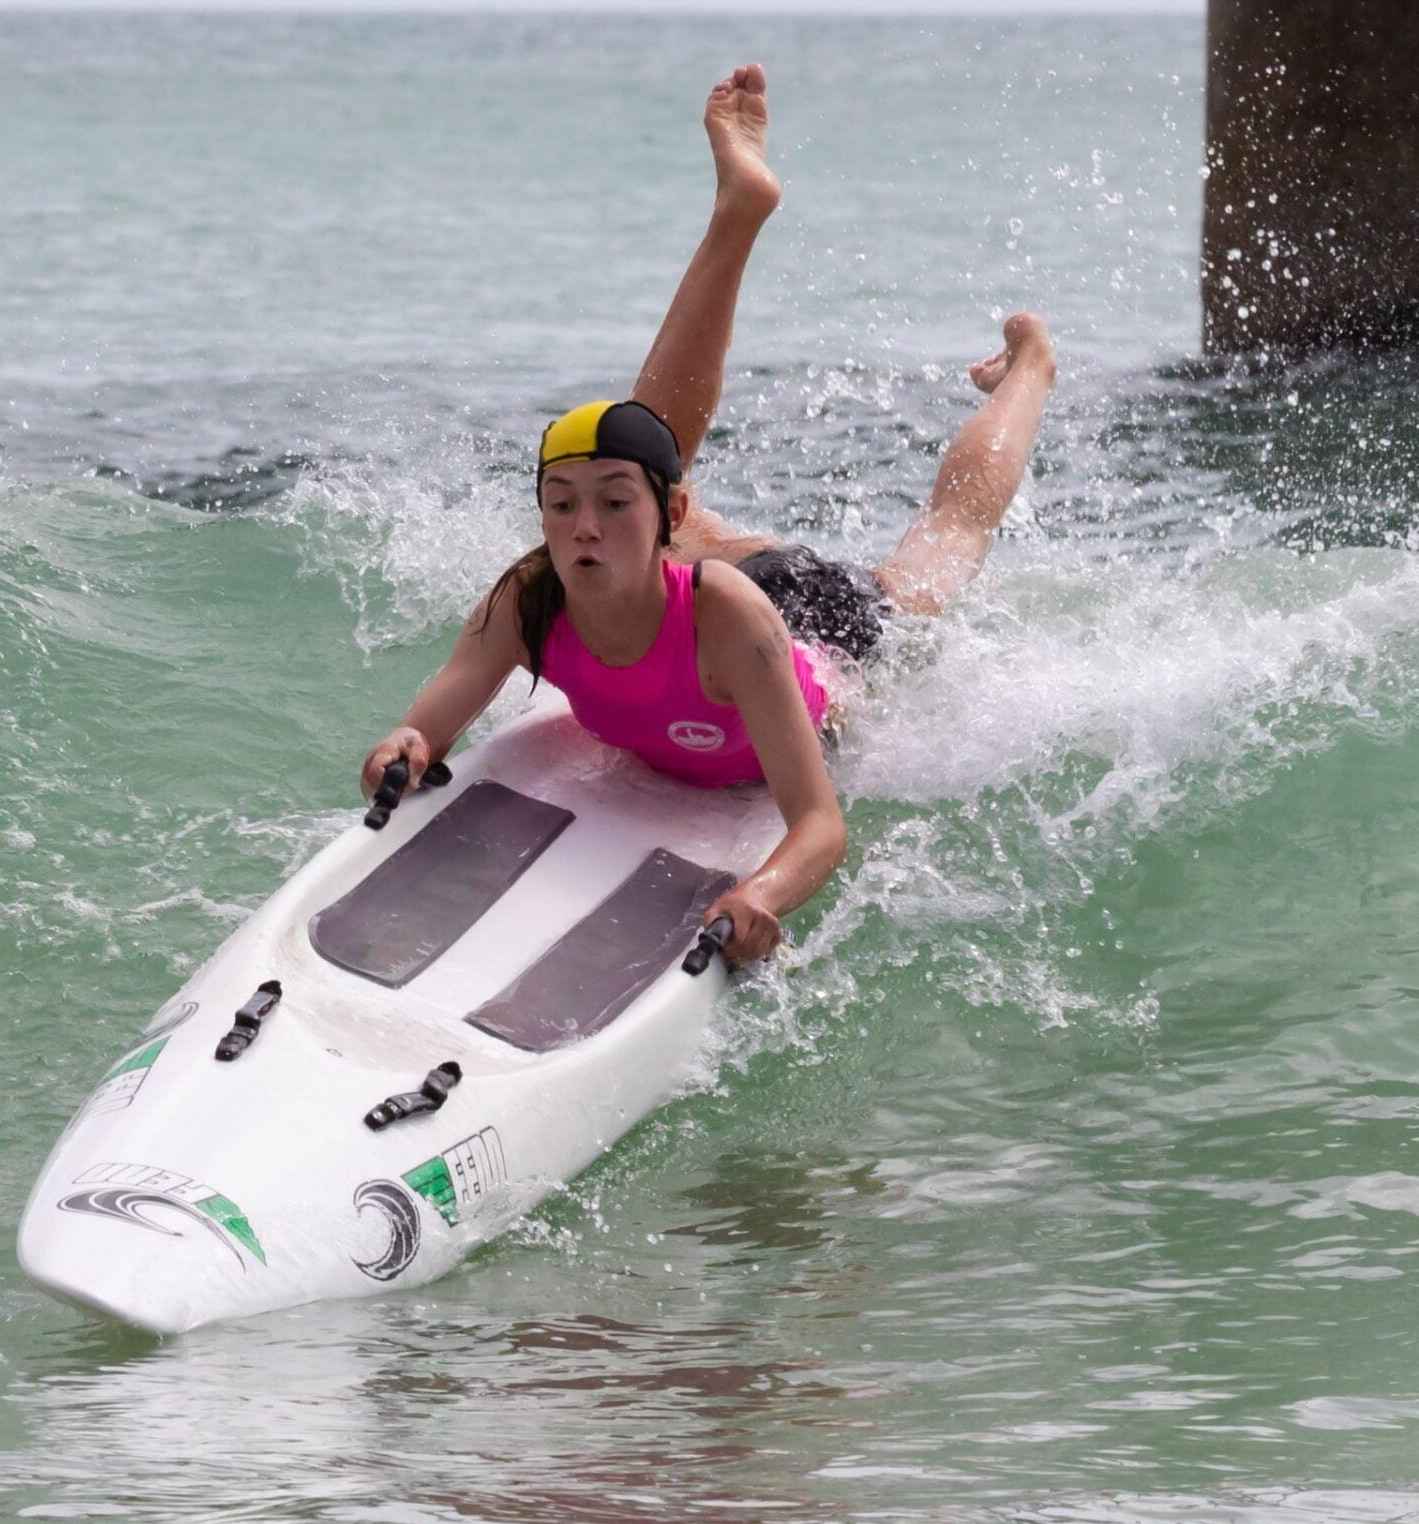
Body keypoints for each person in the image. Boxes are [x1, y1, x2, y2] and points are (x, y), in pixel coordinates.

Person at [359, 64, 1057, 965]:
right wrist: (402, 748)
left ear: (669, 517)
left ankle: (1031, 364)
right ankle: (737, 214)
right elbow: (424, 731)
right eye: (558, 506)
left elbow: (819, 826)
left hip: (803, 629)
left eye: (608, 508)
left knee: (940, 552)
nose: (580, 527)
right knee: (628, 454)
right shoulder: (529, 599)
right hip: (704, 589)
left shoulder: (723, 614)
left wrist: (761, 892)